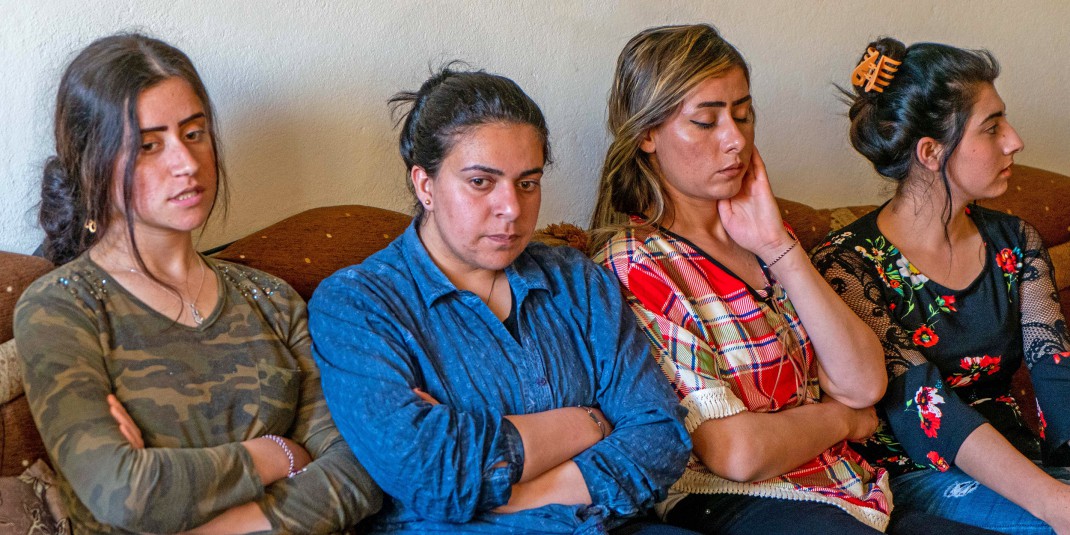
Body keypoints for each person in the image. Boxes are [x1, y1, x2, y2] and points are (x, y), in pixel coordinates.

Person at [590, 24, 1001, 535]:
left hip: (849, 490)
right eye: (705, 121)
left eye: (743, 114)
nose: (735, 140)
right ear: (647, 134)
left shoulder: (765, 232)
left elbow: (865, 381)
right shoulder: (634, 264)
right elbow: (735, 454)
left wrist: (778, 249)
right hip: (735, 503)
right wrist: (844, 421)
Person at [14, 33, 380, 534]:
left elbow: (358, 470)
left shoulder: (271, 299)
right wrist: (276, 454)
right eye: (148, 145)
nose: (186, 164)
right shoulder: (61, 308)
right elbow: (124, 492)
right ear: (91, 163)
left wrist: (218, 524)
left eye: (194, 133)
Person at [307, 65, 691, 533]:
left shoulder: (577, 280)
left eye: (527, 183)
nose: (512, 208)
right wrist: (587, 422)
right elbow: (433, 475)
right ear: (425, 185)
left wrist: (525, 490)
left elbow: (662, 436)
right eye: (481, 182)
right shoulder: (358, 304)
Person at [812, 37, 1070, 533]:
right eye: (991, 128)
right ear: (930, 152)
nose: (1014, 140)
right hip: (918, 477)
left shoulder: (1014, 241)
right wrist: (1056, 503)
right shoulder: (847, 265)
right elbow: (925, 411)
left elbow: (1056, 374)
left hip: (1022, 460)